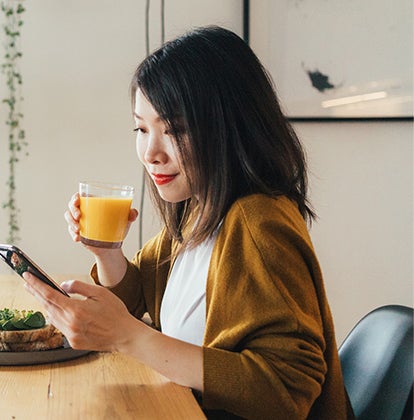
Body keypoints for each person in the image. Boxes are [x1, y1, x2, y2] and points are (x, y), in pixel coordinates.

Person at [22, 26, 354, 419]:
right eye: (141, 129)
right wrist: (109, 254)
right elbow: (137, 299)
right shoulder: (198, 210)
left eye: (174, 130)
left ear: (229, 125)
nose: (150, 152)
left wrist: (131, 338)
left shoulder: (257, 223)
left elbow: (286, 389)